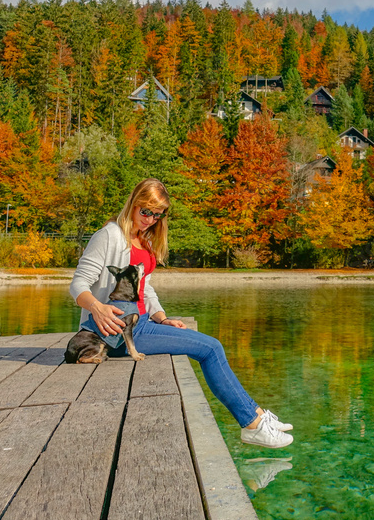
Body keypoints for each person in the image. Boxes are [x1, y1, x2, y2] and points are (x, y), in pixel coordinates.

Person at [69, 177, 293, 448]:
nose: (150, 219)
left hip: (140, 324)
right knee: (210, 348)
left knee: (209, 346)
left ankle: (257, 415)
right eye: (146, 211)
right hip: (116, 334)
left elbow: (145, 289)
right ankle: (253, 425)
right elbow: (78, 284)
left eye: (157, 215)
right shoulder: (109, 236)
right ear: (133, 203)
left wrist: (162, 317)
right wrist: (98, 308)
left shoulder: (144, 240)